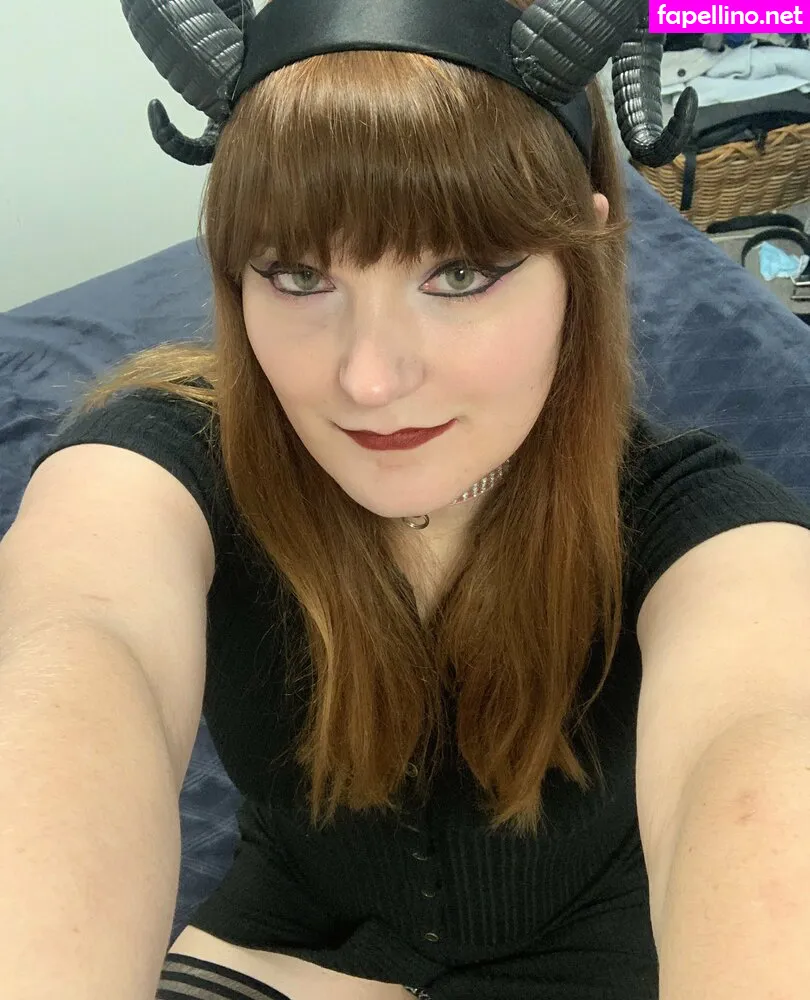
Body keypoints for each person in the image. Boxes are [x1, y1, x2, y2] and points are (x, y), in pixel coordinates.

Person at [3, 0, 810, 998]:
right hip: (296, 941)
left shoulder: (706, 535)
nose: (370, 379)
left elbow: (765, 730)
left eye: (460, 272)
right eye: (298, 274)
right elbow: (75, 638)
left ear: (586, 253)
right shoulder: (168, 463)